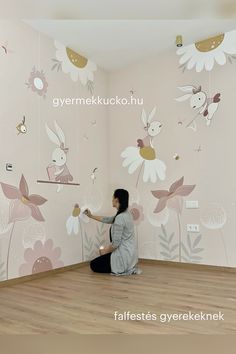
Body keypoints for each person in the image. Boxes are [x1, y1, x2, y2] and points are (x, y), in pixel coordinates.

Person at [84, 189, 139, 276]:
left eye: (112, 197)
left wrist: (105, 251)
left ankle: (120, 266)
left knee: (93, 264)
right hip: (130, 256)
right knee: (102, 259)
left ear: (116, 200)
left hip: (122, 257)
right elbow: (108, 219)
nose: (112, 199)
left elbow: (115, 244)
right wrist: (91, 216)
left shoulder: (120, 218)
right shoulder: (127, 214)